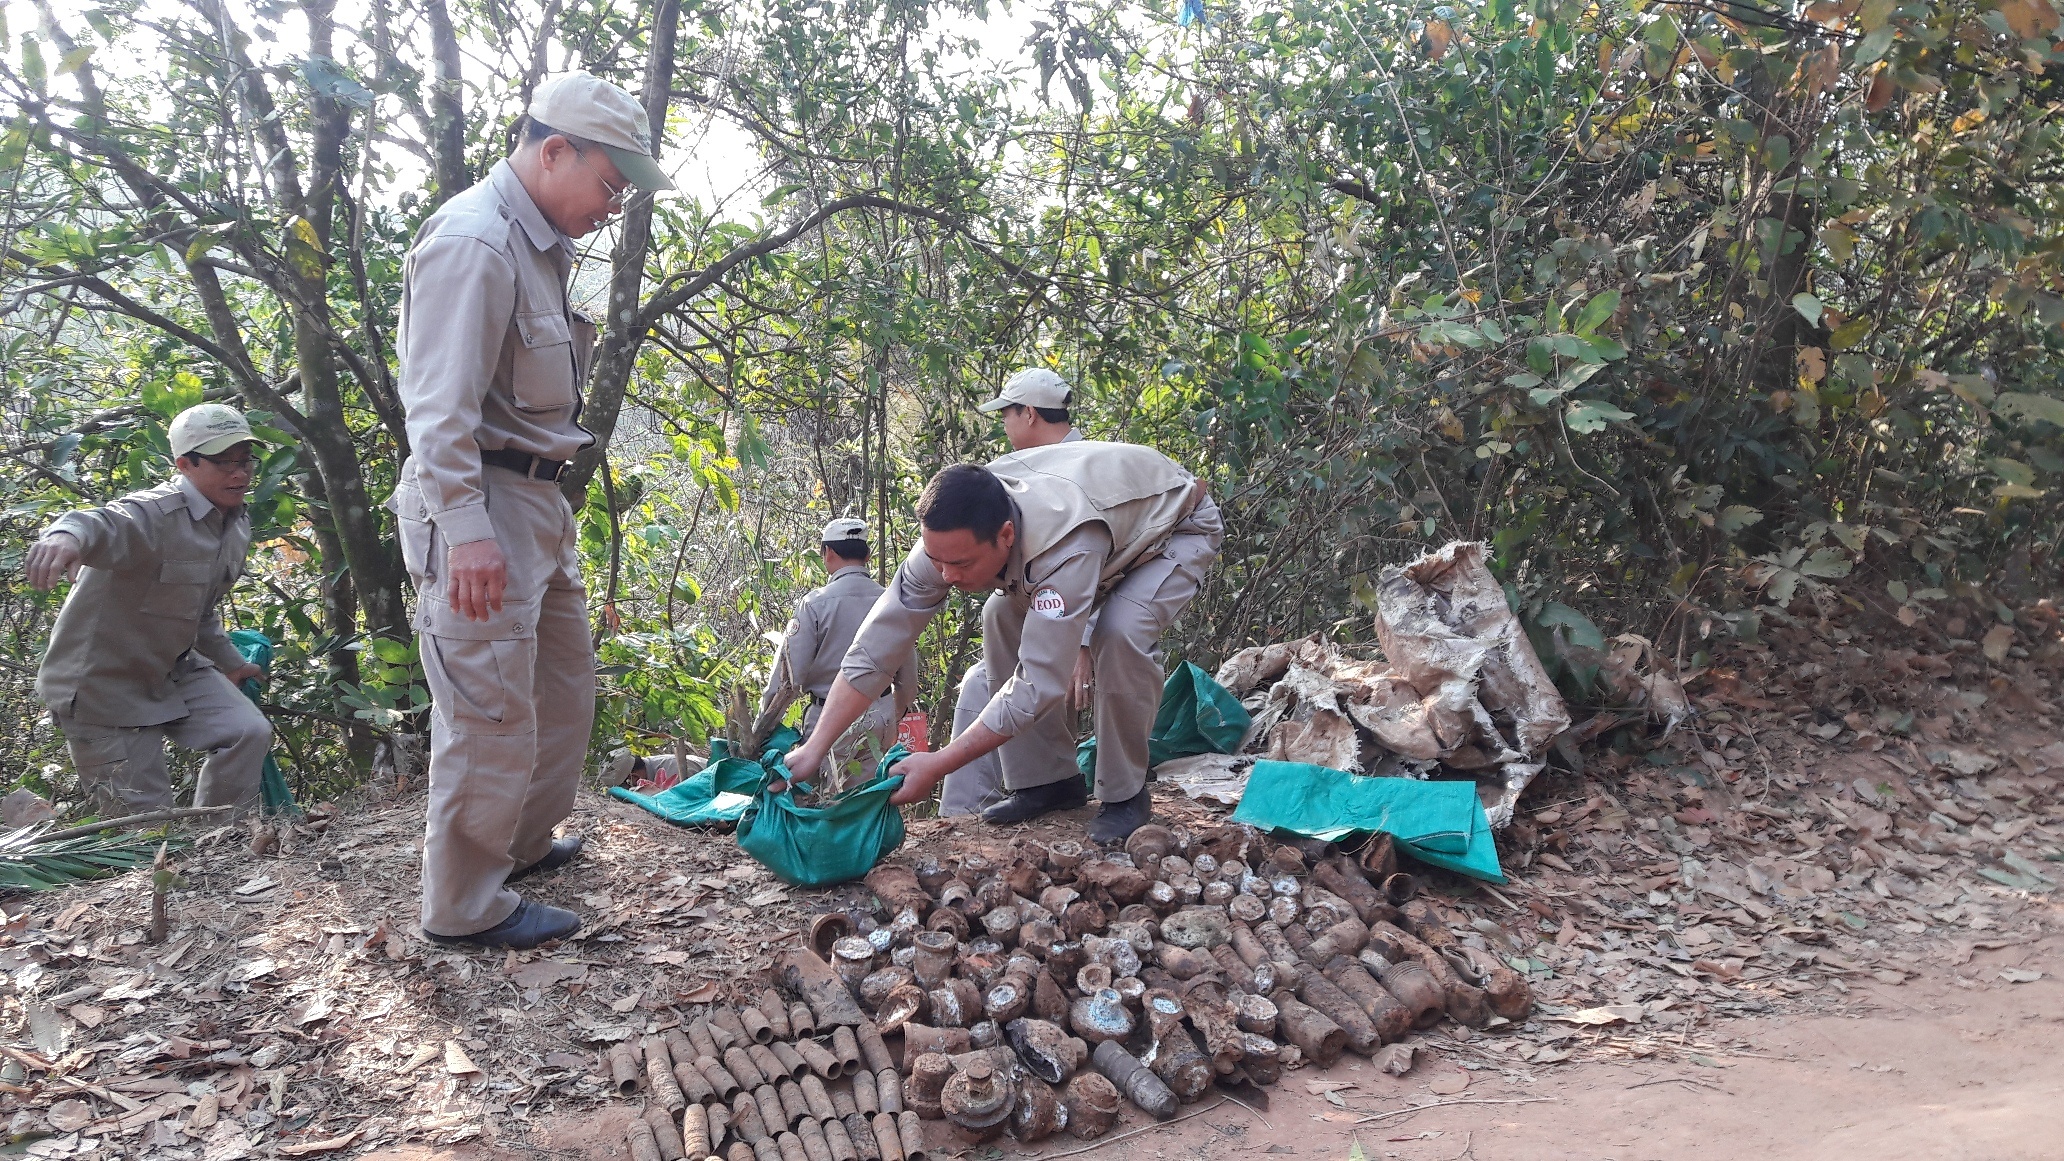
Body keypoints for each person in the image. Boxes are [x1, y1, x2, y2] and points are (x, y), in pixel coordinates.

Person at [387, 70, 672, 951]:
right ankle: (464, 904)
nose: (611, 206)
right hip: (480, 500)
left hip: (537, 503)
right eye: (609, 185)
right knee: (489, 708)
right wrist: (465, 529)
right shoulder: (475, 242)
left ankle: (521, 845)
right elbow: (438, 412)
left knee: (560, 688)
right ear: (555, 151)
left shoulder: (538, 244)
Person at [788, 442, 1222, 844]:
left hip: (1174, 529)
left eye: (960, 564)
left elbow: (1040, 681)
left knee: (1120, 631)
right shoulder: (946, 545)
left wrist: (940, 763)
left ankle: (1126, 794)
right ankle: (1047, 782)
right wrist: (814, 748)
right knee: (998, 614)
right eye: (936, 560)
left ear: (1007, 536)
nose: (946, 577)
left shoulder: (1064, 545)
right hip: (1104, 533)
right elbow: (875, 649)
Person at [27, 404, 271, 818]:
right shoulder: (154, 514)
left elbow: (200, 609)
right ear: (185, 464)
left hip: (172, 668)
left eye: (246, 460)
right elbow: (100, 523)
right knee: (145, 826)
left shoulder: (234, 522)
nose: (240, 473)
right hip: (102, 686)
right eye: (224, 462)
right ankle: (173, 868)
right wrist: (63, 536)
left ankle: (216, 844)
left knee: (247, 731)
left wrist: (230, 662)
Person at [610, 517, 918, 789]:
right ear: (867, 555)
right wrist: (893, 711)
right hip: (880, 713)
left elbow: (787, 679)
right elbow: (908, 676)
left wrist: (761, 727)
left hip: (826, 716)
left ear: (828, 553)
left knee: (826, 797)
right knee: (866, 793)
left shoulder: (815, 604)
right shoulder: (891, 601)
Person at [939, 368, 1084, 817]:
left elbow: (1097, 568)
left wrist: (1085, 643)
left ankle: (1083, 788)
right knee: (977, 683)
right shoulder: (1027, 473)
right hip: (1037, 629)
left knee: (1029, 681)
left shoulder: (1080, 470)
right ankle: (967, 814)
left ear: (1029, 414)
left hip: (1079, 632)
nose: (1004, 425)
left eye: (1007, 414)